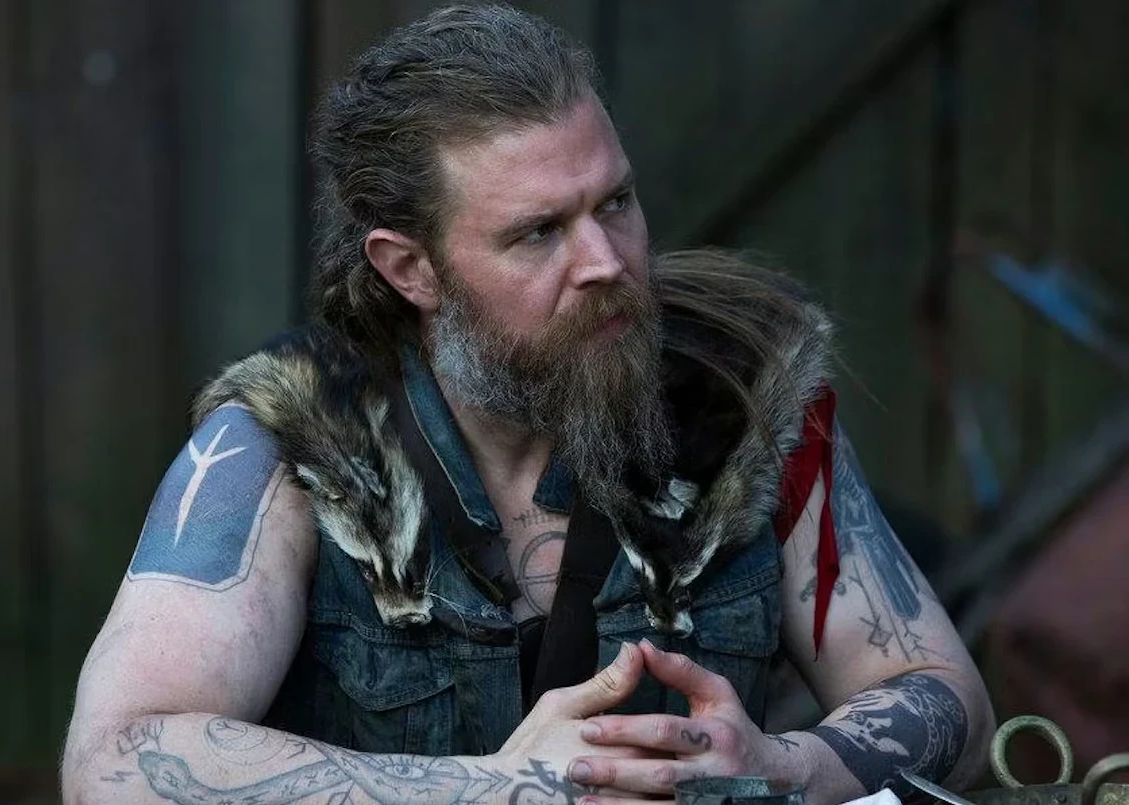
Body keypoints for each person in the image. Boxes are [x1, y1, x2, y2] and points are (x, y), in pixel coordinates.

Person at [61, 6, 994, 803]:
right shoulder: (296, 442)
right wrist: (501, 787)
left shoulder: (742, 404)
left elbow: (942, 691)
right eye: (540, 231)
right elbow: (115, 761)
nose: (606, 262)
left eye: (615, 202)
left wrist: (785, 764)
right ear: (410, 268)